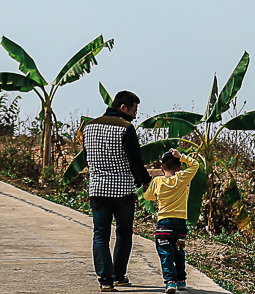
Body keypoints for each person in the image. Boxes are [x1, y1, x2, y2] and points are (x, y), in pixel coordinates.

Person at [81, 89, 150, 291]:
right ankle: (119, 275)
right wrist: (146, 181)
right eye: (134, 111)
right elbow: (135, 161)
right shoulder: (125, 128)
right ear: (123, 108)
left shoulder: (89, 127)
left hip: (98, 190)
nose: (135, 116)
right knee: (123, 233)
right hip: (123, 191)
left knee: (100, 235)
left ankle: (105, 280)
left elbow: (87, 158)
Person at [143, 149, 199, 292]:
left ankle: (170, 282)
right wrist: (181, 156)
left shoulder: (157, 181)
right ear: (179, 167)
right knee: (179, 251)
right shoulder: (182, 178)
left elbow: (147, 197)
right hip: (180, 223)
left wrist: (147, 188)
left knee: (166, 253)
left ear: (162, 168)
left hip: (164, 224)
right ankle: (181, 280)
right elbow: (195, 165)